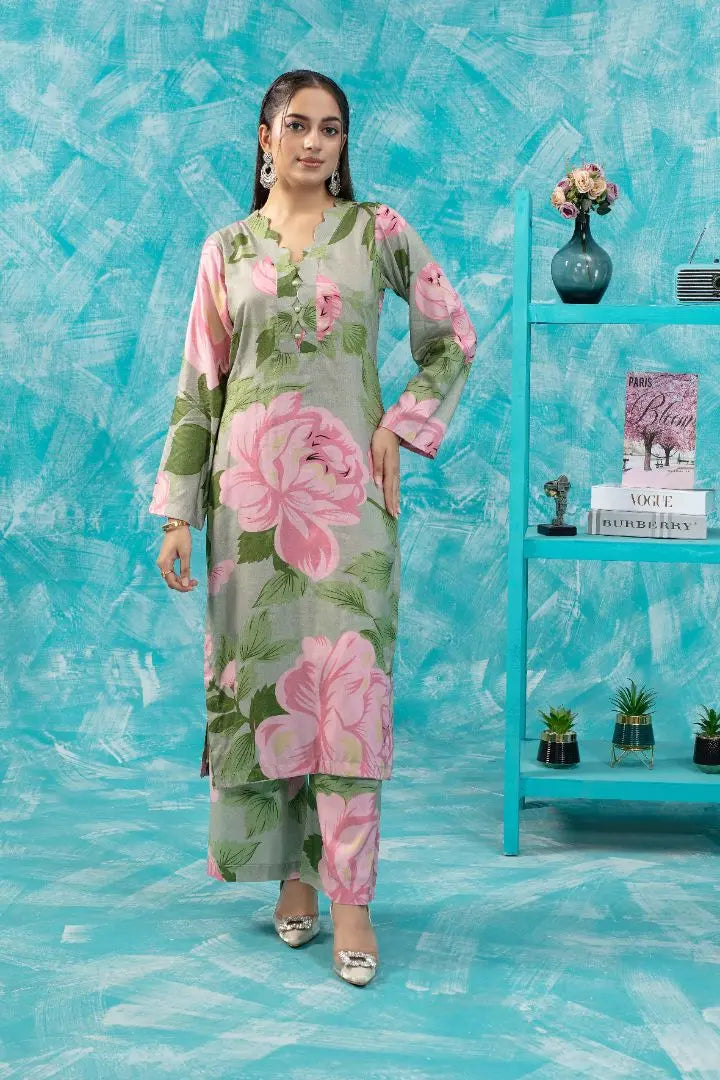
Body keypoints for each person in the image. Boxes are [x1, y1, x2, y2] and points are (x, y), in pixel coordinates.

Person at [148, 69, 476, 986]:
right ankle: (292, 876)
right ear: (265, 137)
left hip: (348, 505)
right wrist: (177, 514)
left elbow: (453, 335)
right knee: (269, 683)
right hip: (248, 509)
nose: (314, 143)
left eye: (331, 129)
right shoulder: (226, 249)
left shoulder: (378, 233)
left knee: (349, 692)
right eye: (297, 125)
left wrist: (398, 424)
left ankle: (352, 898)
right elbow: (200, 383)